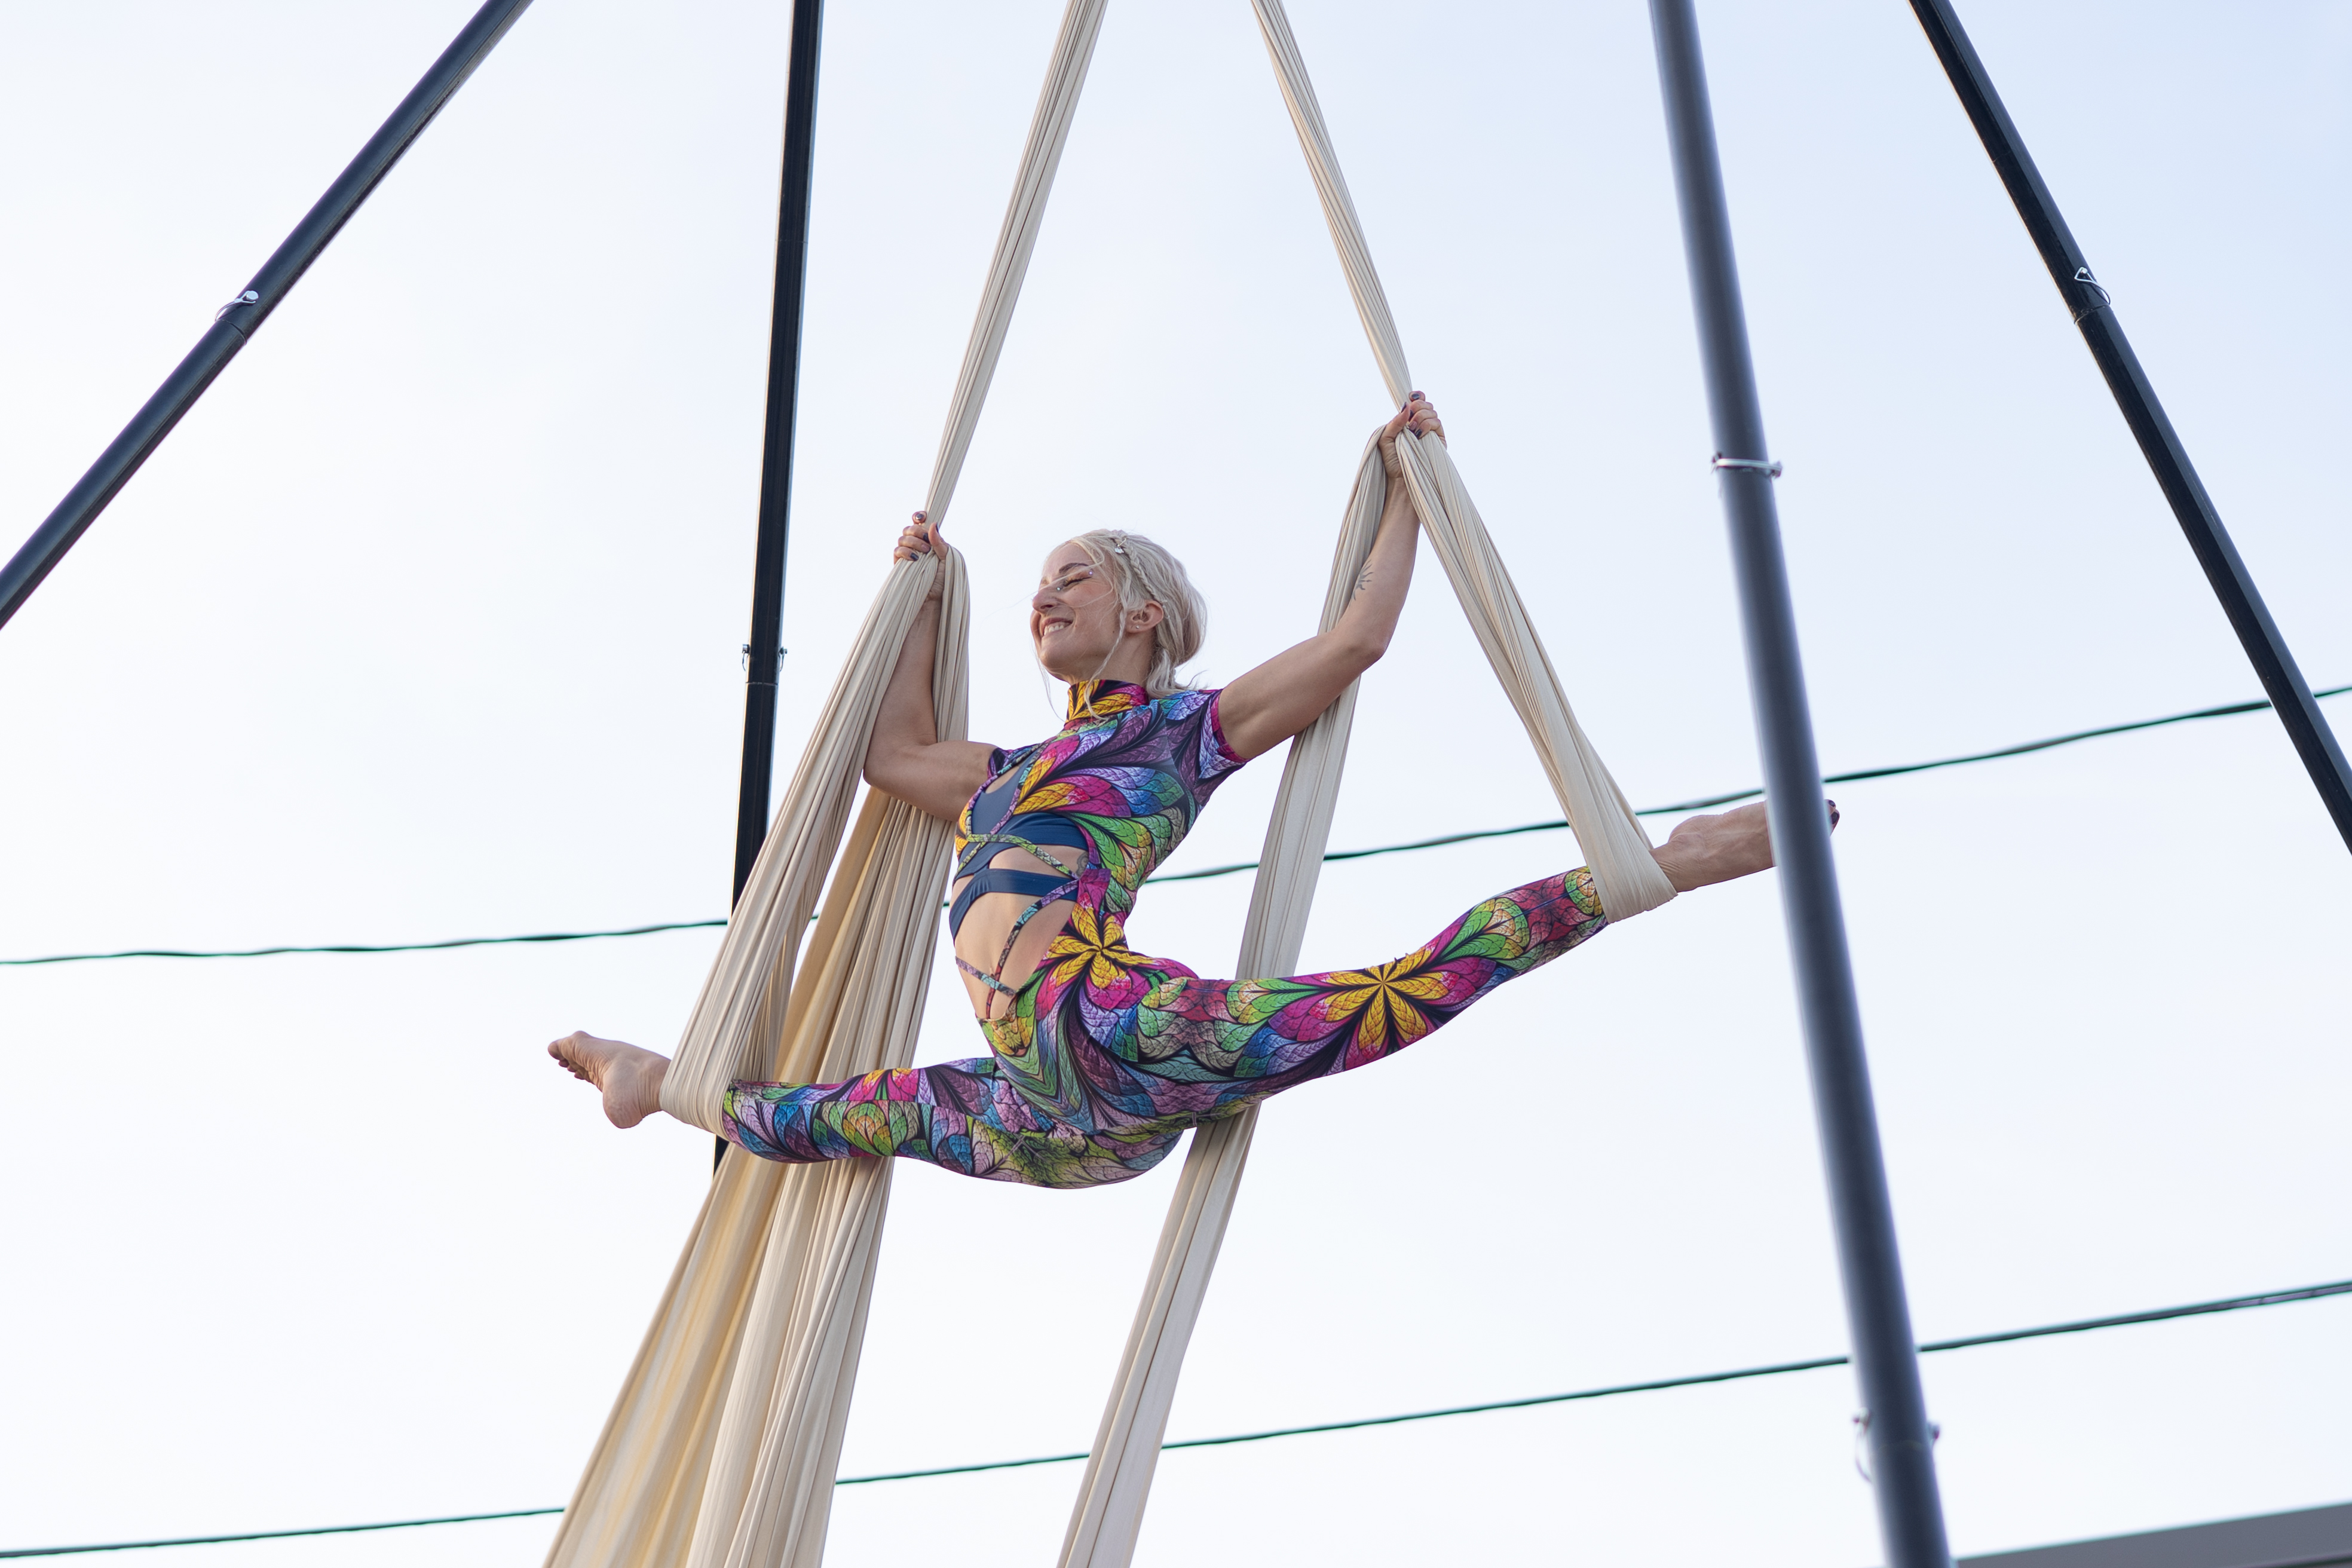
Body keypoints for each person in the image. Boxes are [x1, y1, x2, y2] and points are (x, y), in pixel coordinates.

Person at [552, 395, 1825, 1187]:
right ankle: (654, 1081)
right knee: (802, 1118)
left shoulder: (1179, 733)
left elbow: (1350, 648)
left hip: (1122, 1031)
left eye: (1072, 580)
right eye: (1039, 587)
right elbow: (889, 755)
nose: (1045, 600)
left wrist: (1412, 502)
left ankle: (1663, 862)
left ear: (1144, 615)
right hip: (1047, 1118)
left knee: (1407, 987)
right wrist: (928, 591)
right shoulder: (998, 775)